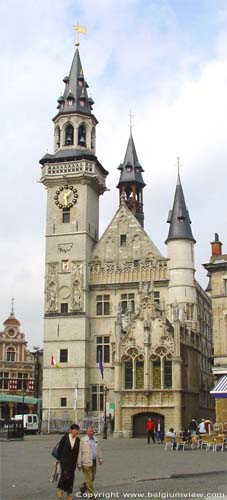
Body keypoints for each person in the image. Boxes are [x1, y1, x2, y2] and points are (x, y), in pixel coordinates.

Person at [56, 423, 80, 500]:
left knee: (71, 478)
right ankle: (60, 490)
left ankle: (68, 494)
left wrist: (78, 462)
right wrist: (58, 459)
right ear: (71, 430)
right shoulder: (65, 438)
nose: (76, 432)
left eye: (77, 430)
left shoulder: (78, 440)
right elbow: (60, 448)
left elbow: (78, 452)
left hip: (72, 462)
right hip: (64, 461)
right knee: (65, 475)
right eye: (75, 430)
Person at [77, 426, 103, 499]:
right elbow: (80, 452)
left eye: (92, 431)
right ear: (87, 432)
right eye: (90, 431)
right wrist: (79, 463)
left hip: (94, 461)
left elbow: (98, 449)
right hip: (85, 462)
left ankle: (83, 488)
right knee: (88, 479)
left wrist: (100, 458)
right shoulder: (83, 440)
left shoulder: (95, 439)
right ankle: (91, 495)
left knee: (92, 478)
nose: (91, 433)